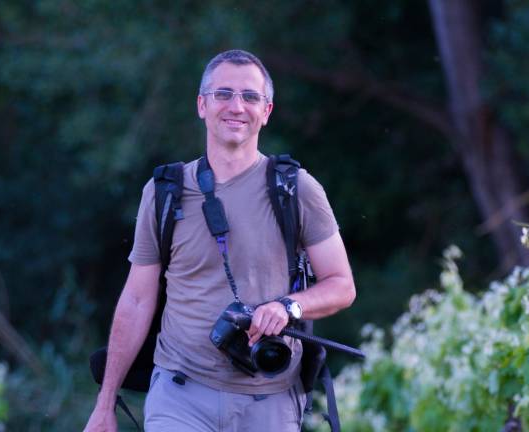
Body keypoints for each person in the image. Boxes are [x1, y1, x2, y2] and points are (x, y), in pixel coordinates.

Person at [84, 49, 356, 432]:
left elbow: (342, 286)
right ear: (201, 105)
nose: (236, 106)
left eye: (250, 96)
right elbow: (136, 299)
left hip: (271, 399)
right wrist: (105, 402)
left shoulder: (296, 190)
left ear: (267, 110)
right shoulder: (165, 192)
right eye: (223, 94)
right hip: (180, 393)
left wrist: (288, 307)